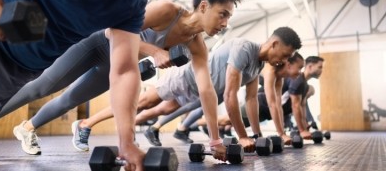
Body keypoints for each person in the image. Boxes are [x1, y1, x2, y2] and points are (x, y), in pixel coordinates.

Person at [0, 0, 243, 161]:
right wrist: (153, 51)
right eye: (223, 15)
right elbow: (113, 30)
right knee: (41, 87)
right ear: (203, 6)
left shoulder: (197, 47)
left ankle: (27, 128)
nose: (224, 23)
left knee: (69, 100)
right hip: (98, 44)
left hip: (117, 65)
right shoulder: (167, 11)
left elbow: (206, 91)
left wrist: (215, 141)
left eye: (228, 17)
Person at [103, 27, 301, 153]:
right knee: (145, 102)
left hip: (198, 91)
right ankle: (88, 123)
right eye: (285, 55)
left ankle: (128, 126)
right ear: (274, 44)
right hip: (187, 78)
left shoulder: (258, 65)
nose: (284, 61)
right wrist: (242, 136)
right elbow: (230, 95)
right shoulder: (245, 48)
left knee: (161, 110)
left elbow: (251, 100)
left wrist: (256, 136)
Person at [153, 51, 305, 146]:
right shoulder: (268, 66)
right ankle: (170, 127)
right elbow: (272, 103)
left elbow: (276, 103)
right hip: (219, 81)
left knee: (198, 109)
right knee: (191, 107)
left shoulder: (280, 76)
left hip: (227, 84)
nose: (282, 58)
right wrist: (280, 133)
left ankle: (182, 128)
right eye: (285, 56)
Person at [287, 56, 324, 140]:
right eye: (320, 67)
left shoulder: (305, 85)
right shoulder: (298, 80)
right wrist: (302, 130)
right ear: (310, 67)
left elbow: (302, 107)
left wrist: (305, 128)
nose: (321, 70)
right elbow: (295, 106)